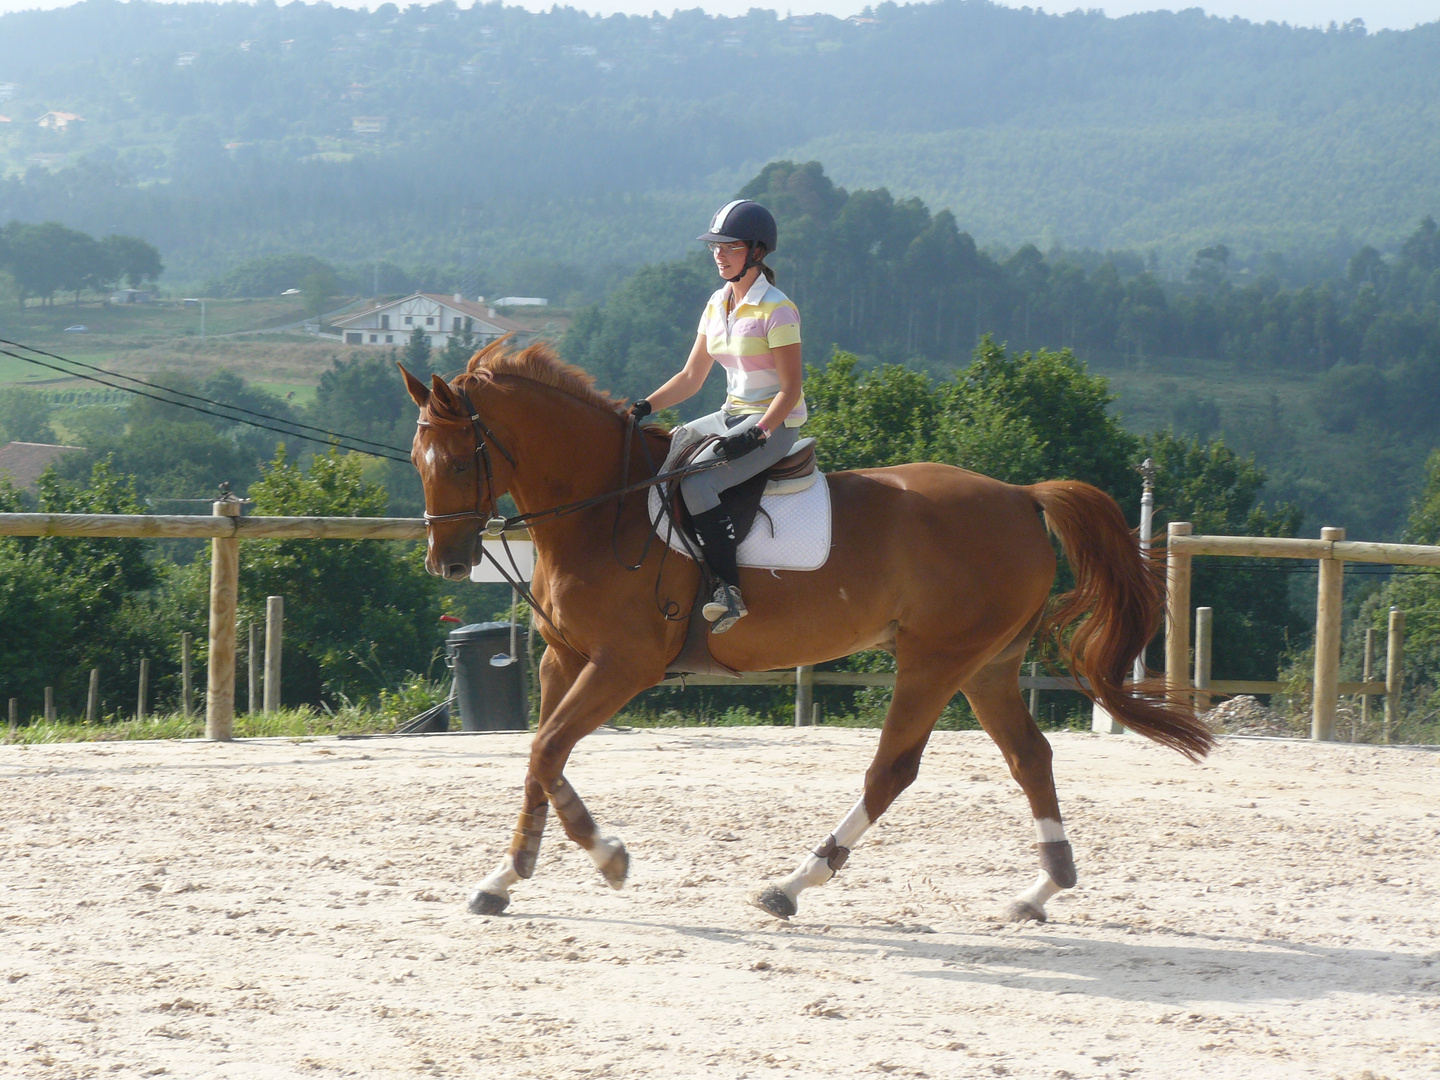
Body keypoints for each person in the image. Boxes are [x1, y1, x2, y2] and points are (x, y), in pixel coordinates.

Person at [630, 199, 806, 634]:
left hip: (774, 422)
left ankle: (729, 590)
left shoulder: (777, 309)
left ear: (757, 252)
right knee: (664, 457)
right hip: (730, 414)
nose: (718, 254)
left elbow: (791, 390)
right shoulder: (716, 304)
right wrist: (645, 406)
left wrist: (759, 434)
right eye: (715, 247)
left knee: (699, 482)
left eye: (729, 247)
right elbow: (691, 376)